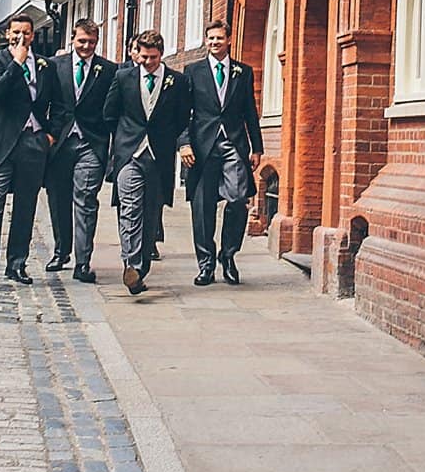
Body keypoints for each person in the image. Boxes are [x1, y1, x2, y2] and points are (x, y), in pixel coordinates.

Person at [100, 28, 189, 295]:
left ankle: (141, 266)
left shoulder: (178, 81)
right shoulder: (123, 77)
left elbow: (183, 118)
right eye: (142, 56)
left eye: (152, 57)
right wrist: (121, 142)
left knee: (151, 213)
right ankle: (131, 263)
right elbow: (109, 113)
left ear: (161, 55)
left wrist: (179, 143)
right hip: (129, 154)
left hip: (159, 157)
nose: (146, 62)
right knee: (129, 208)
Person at [179, 20, 264, 285]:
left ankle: (228, 255)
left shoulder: (243, 72)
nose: (214, 42)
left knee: (238, 199)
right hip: (202, 148)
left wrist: (257, 147)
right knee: (202, 207)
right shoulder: (193, 71)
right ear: (206, 41)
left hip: (233, 145)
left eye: (219, 38)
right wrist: (183, 143)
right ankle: (205, 264)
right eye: (210, 38)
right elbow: (183, 113)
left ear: (229, 40)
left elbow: (250, 111)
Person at [0, 14, 57, 285]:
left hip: (33, 142)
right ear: (7, 35)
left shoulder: (45, 65)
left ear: (33, 35)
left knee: (25, 206)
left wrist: (50, 134)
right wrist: (17, 62)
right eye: (15, 32)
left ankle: (17, 264)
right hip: (2, 143)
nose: (20, 36)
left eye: (26, 32)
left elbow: (57, 102)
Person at [42, 18, 117, 282]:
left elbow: (114, 109)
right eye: (82, 41)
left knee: (85, 200)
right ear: (72, 40)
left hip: (92, 143)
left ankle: (82, 262)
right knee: (59, 199)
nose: (86, 46)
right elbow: (43, 101)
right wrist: (46, 135)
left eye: (92, 42)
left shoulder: (108, 70)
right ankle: (61, 251)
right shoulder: (54, 65)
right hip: (60, 143)